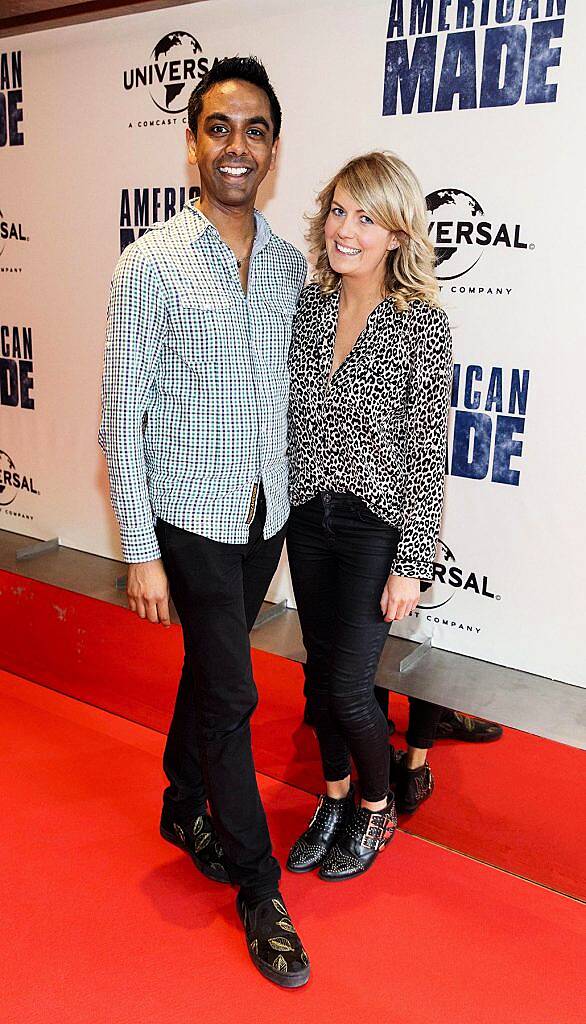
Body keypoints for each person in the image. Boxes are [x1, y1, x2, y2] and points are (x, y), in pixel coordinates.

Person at [99, 57, 310, 988]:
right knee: (233, 693)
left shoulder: (292, 265)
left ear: (271, 148)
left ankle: (182, 800)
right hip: (188, 518)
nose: (237, 146)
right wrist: (140, 549)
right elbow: (121, 412)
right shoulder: (149, 263)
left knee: (210, 673)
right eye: (219, 128)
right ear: (192, 144)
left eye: (254, 130)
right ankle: (260, 888)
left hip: (265, 512)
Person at [286, 151, 452, 879]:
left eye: (366, 217)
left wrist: (412, 564)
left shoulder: (422, 326)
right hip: (305, 520)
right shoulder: (310, 305)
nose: (344, 229)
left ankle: (376, 808)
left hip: (371, 531)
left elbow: (426, 453)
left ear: (396, 235)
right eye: (339, 210)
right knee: (319, 681)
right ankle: (334, 794)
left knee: (352, 688)